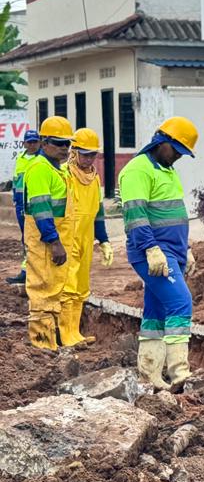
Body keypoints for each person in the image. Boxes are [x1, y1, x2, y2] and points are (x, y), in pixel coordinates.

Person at [118, 116, 198, 389]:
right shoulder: (138, 170)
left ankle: (150, 374)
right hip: (152, 252)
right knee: (181, 303)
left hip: (171, 252)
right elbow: (135, 217)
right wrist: (151, 249)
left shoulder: (166, 169)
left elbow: (173, 214)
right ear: (161, 141)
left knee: (156, 311)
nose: (178, 156)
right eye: (175, 150)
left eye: (182, 153)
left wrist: (185, 249)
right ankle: (180, 375)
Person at [58, 128, 114, 349]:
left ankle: (75, 331)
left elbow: (98, 211)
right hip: (68, 236)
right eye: (86, 154)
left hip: (86, 236)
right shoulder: (65, 175)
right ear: (74, 152)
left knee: (82, 285)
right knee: (68, 285)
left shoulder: (94, 177)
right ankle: (66, 333)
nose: (90, 158)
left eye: (93, 154)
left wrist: (104, 240)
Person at [23, 117, 73, 350]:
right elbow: (42, 210)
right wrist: (54, 241)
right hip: (45, 241)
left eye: (67, 144)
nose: (64, 148)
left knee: (52, 289)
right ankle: (42, 346)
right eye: (58, 143)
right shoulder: (40, 170)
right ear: (44, 142)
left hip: (54, 239)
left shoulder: (56, 169)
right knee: (42, 289)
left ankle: (50, 342)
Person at [7, 129, 41, 285]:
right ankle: (26, 270)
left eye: (35, 141)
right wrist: (15, 200)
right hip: (21, 205)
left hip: (35, 204)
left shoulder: (42, 159)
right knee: (26, 237)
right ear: (24, 143)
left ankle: (35, 272)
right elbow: (16, 182)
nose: (32, 145)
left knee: (37, 237)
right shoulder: (20, 159)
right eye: (30, 142)